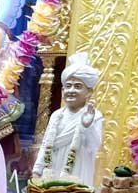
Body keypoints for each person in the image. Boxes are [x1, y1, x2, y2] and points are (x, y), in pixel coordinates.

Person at [32, 52, 103, 185]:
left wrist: (87, 127)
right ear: (63, 90)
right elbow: (46, 144)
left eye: (78, 86)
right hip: (53, 169)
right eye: (68, 86)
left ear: (89, 92)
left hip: (78, 170)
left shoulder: (95, 116)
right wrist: (37, 170)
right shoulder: (57, 115)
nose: (71, 90)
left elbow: (93, 146)